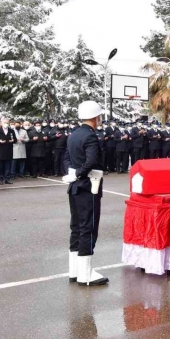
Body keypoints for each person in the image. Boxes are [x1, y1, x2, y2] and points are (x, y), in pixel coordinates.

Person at [63, 101, 109, 286]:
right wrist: (81, 173)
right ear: (95, 117)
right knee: (88, 228)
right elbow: (92, 160)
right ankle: (85, 274)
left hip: (75, 185)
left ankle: (74, 271)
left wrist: (72, 172)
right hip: (89, 185)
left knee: (76, 227)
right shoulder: (90, 136)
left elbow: (66, 157)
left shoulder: (74, 134)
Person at [0, 117, 17, 185]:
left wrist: (13, 140)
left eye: (7, 123)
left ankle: (7, 179)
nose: (6, 124)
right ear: (1, 123)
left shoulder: (11, 131)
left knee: (8, 166)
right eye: (5, 123)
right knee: (0, 166)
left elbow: (15, 139)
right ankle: (0, 179)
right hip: (0, 151)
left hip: (9, 151)